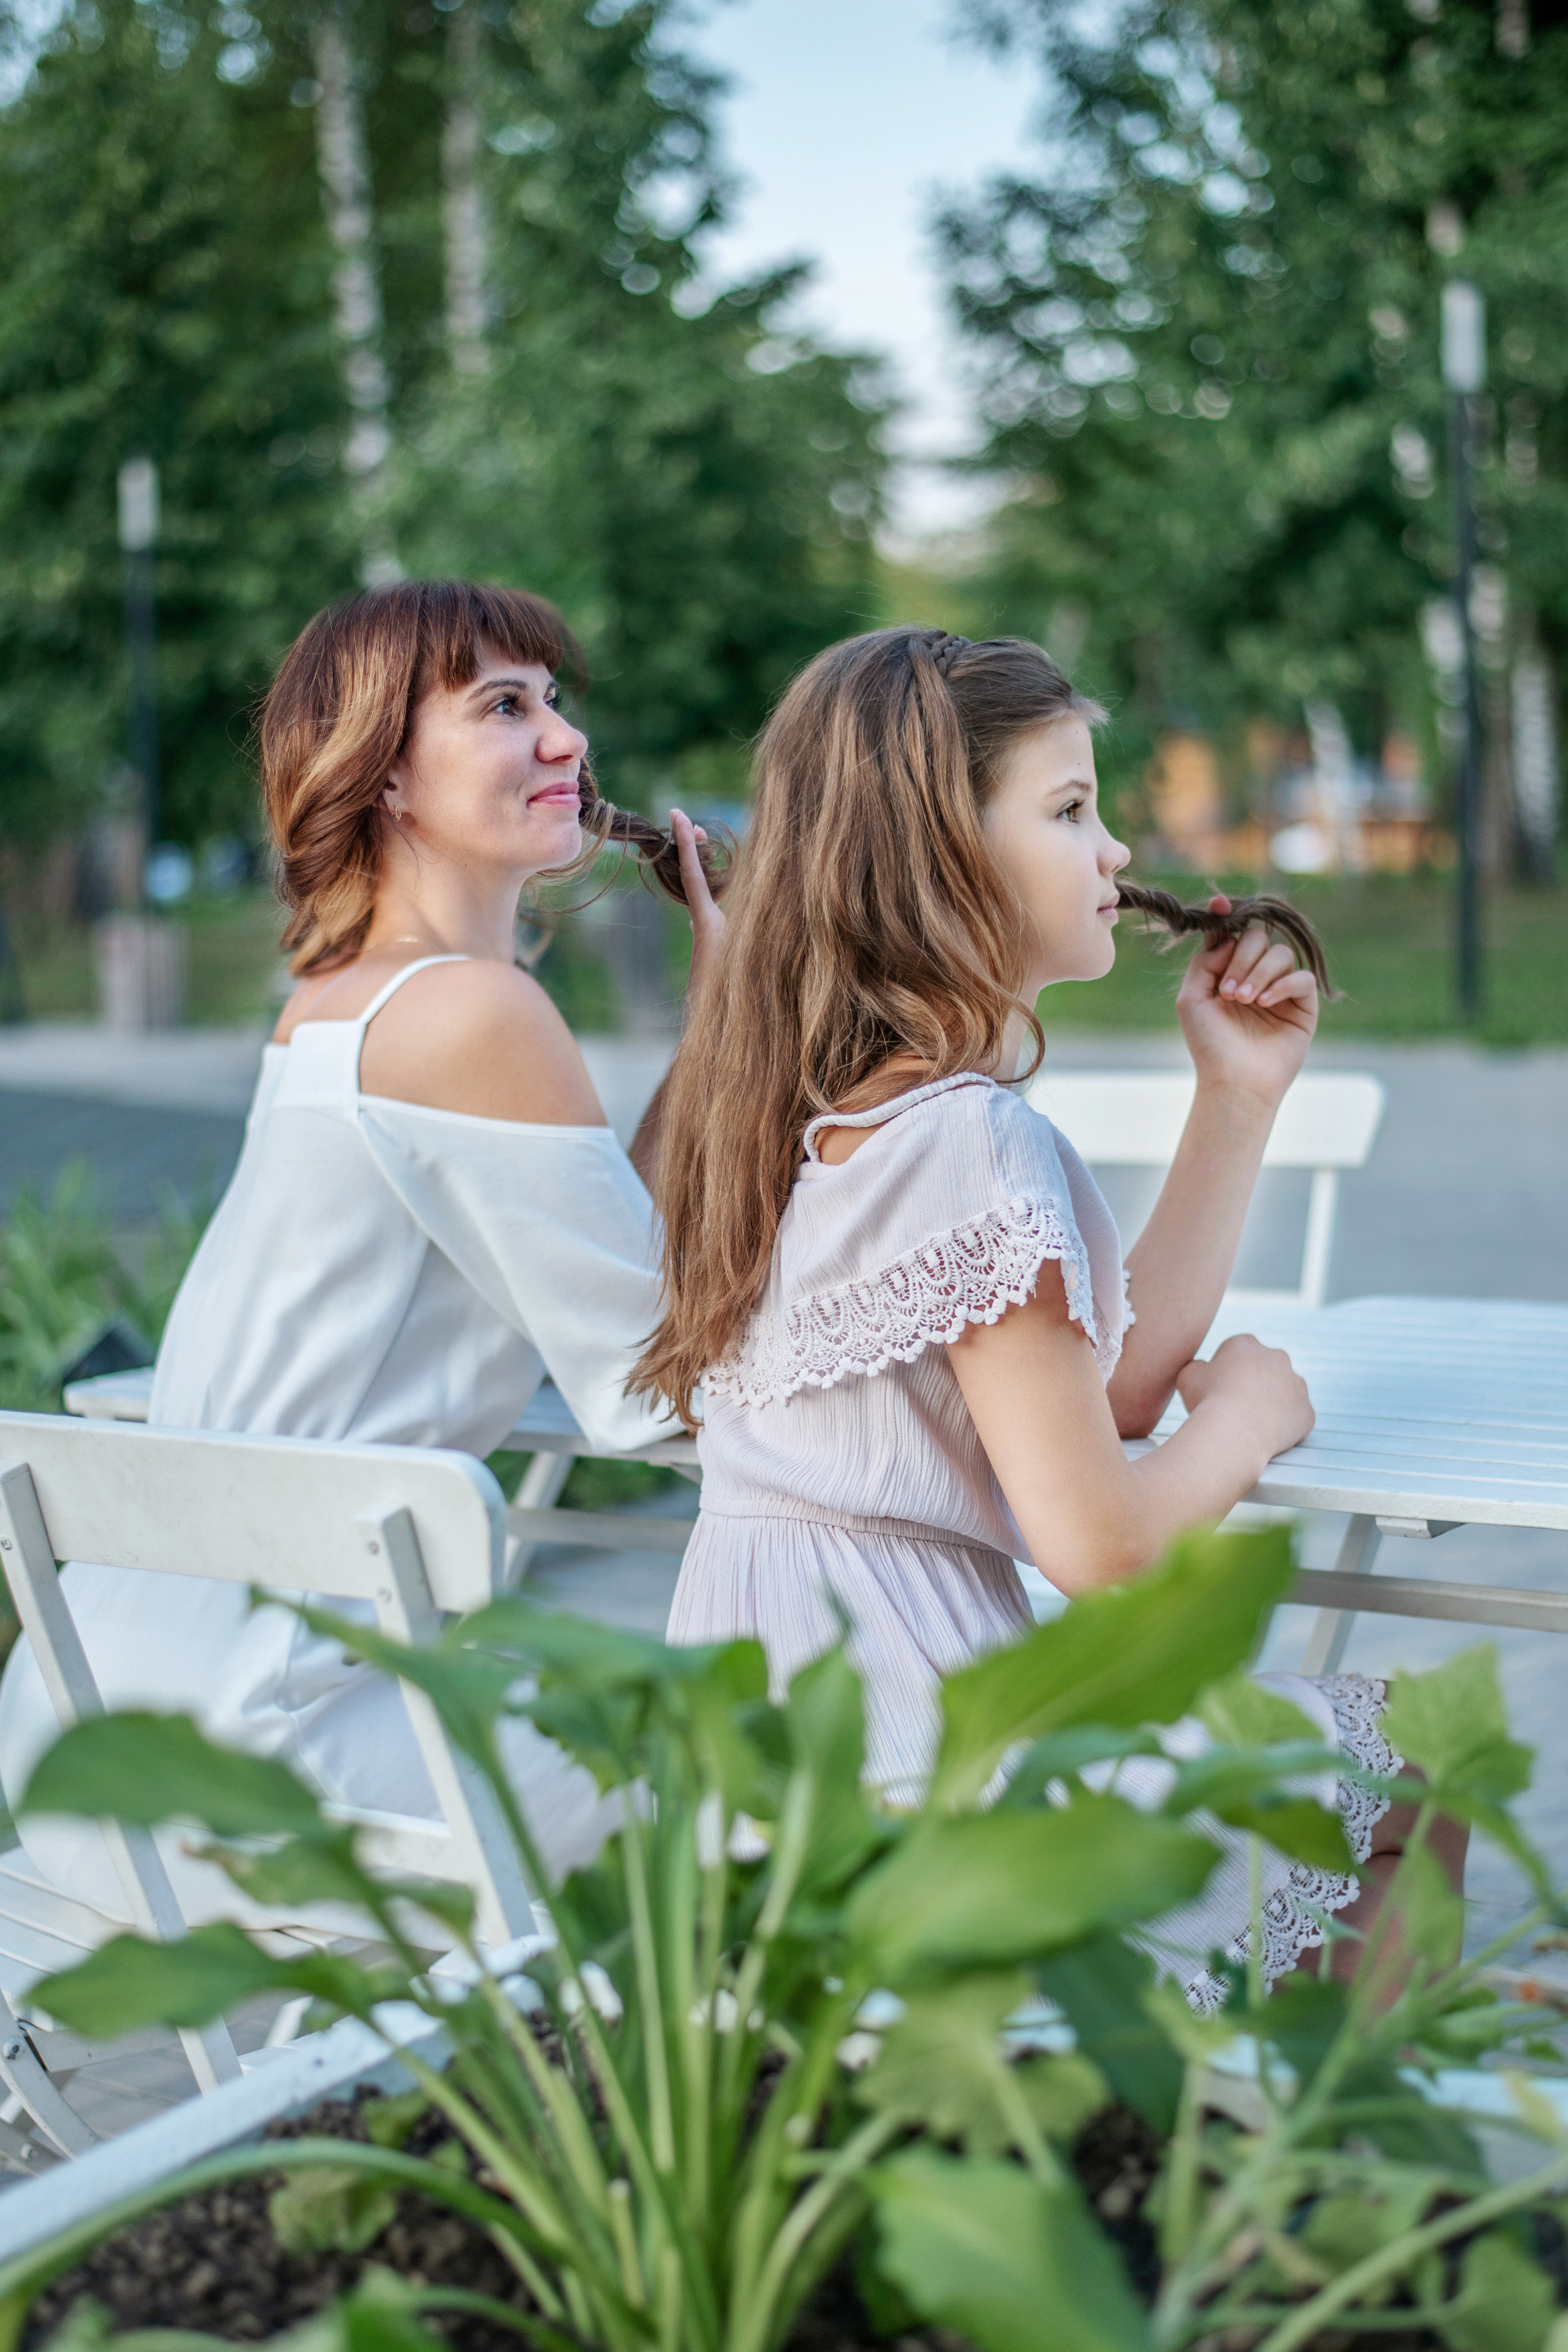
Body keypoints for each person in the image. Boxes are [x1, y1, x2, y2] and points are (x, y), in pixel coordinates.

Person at [638, 625, 1458, 2004]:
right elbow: (1106, 1548)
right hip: (930, 1740)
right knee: (1402, 1790)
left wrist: (1237, 1097)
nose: (1117, 850)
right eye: (1070, 810)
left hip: (761, 1746)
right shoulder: (969, 1146)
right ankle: (1288, 2180)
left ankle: (1204, 2125)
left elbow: (1108, 1396)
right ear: (934, 854)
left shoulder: (779, 1117)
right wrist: (1251, 1419)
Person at [0, 579, 722, 1919]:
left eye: (553, 702)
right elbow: (643, 1386)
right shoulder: (472, 1013)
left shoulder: (338, 1003)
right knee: (764, 1750)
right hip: (263, 1766)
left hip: (85, 1726)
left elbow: (592, 1253)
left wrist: (716, 1018)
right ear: (382, 773)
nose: (563, 740)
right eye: (504, 708)